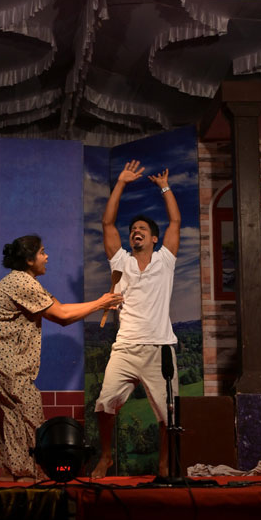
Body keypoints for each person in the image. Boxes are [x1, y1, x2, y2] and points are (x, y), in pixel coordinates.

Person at [0, 235, 122, 481]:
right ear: (29, 260)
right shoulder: (22, 283)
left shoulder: (26, 282)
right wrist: (100, 302)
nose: (47, 257)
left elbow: (60, 308)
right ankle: (29, 470)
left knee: (2, 410)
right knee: (25, 402)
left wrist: (97, 304)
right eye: (42, 252)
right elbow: (62, 316)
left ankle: (11, 470)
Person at [92, 160, 181, 478]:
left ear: (154, 239)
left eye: (142, 230)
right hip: (126, 348)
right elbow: (107, 223)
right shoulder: (121, 262)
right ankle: (106, 457)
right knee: (104, 404)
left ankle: (164, 464)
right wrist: (120, 183)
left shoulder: (165, 261)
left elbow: (175, 220)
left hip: (159, 348)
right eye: (133, 231)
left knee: (169, 414)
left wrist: (165, 187)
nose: (135, 233)